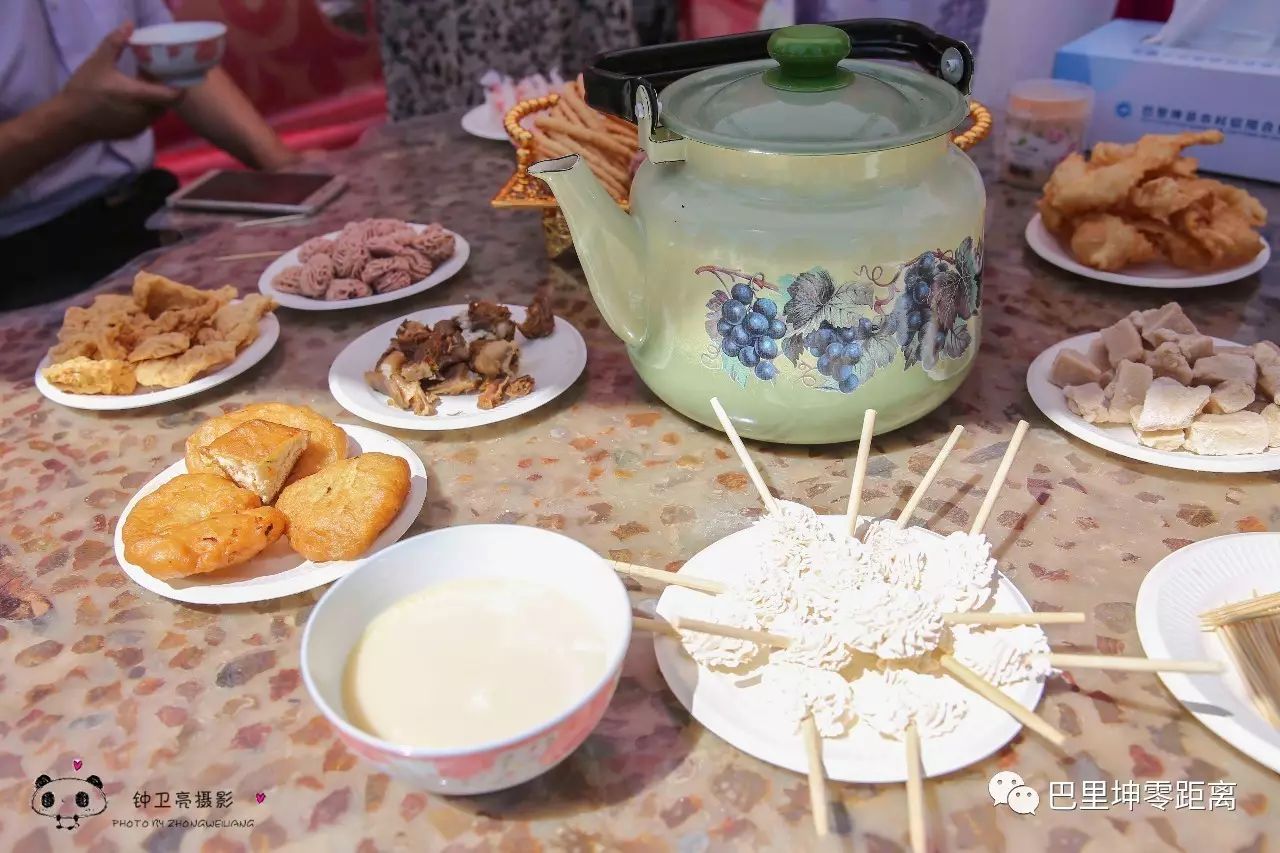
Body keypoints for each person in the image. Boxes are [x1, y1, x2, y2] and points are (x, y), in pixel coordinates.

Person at [0, 2, 297, 310]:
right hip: (24, 265)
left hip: (148, 216)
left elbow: (171, 53)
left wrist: (283, 164)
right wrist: (70, 119)